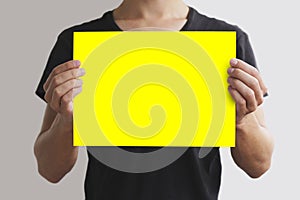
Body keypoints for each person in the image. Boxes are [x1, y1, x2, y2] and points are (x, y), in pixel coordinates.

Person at [34, 0, 274, 199]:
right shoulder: (77, 41)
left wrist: (242, 121)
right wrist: (67, 121)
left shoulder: (227, 40)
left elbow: (259, 165)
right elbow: (49, 169)